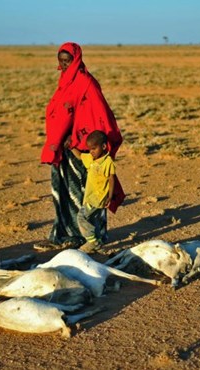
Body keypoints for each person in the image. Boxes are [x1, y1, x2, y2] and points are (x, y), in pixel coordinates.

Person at [35, 42, 123, 251]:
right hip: (64, 147)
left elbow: (98, 115)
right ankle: (63, 234)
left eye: (68, 61)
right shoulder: (65, 81)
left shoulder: (86, 82)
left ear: (76, 59)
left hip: (81, 149)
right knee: (63, 192)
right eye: (61, 61)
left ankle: (89, 238)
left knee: (88, 192)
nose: (64, 65)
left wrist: (78, 140)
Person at [69, 130, 116, 253]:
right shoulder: (90, 158)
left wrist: (110, 196)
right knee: (91, 219)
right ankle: (97, 242)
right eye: (90, 149)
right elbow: (79, 156)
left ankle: (92, 242)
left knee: (81, 217)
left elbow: (111, 179)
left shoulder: (107, 162)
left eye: (94, 148)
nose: (91, 151)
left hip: (98, 197)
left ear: (104, 146)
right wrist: (71, 146)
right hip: (90, 196)